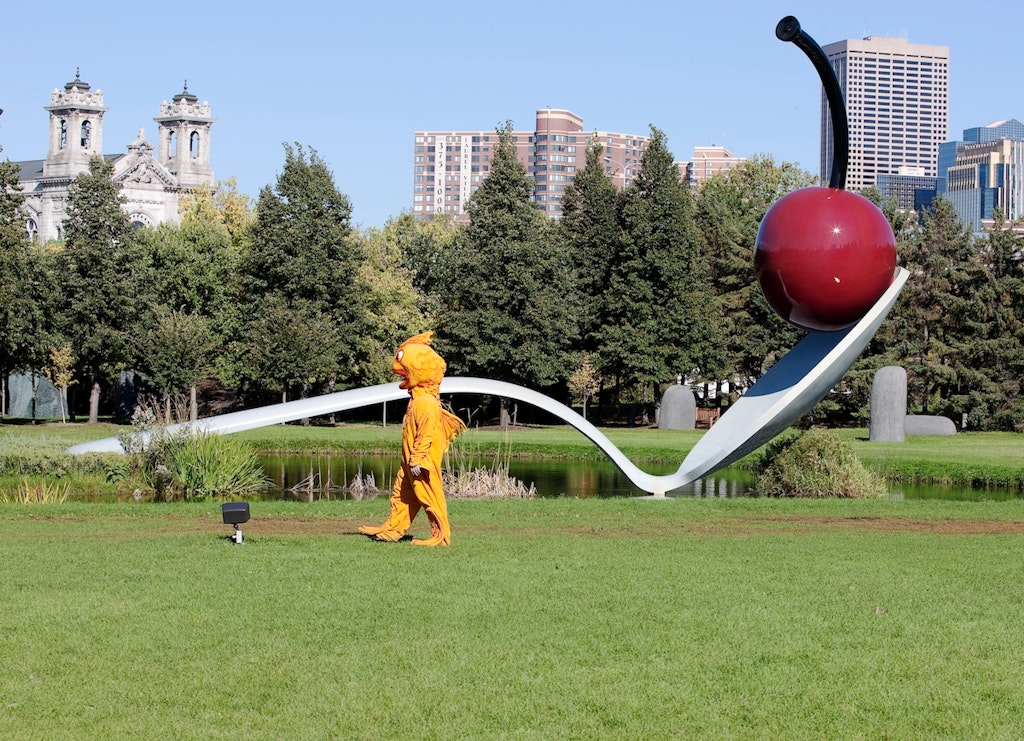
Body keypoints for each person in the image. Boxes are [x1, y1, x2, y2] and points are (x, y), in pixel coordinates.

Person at [358, 332, 465, 546]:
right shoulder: (417, 399)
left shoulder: (425, 402)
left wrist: (417, 459)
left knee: (429, 496)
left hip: (421, 462)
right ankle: (392, 531)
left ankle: (440, 537)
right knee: (402, 495)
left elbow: (426, 433)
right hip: (410, 460)